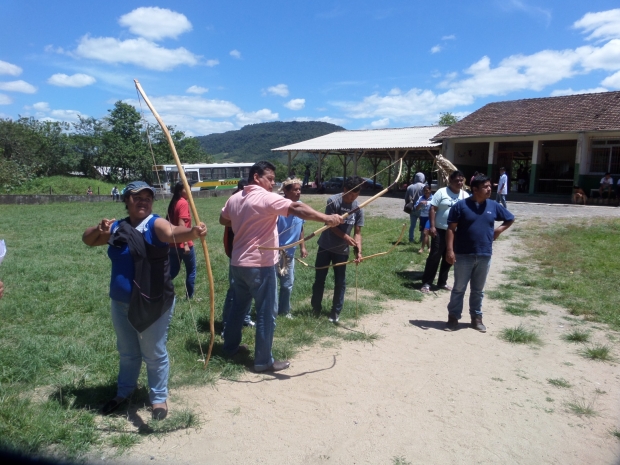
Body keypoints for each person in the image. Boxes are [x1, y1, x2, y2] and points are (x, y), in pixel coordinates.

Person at [82, 181, 207, 420]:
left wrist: (192, 232)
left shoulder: (155, 223)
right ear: (126, 201)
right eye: (137, 197)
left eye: (147, 197)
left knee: (153, 352)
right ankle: (124, 392)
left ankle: (158, 398)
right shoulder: (117, 227)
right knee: (128, 352)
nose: (143, 201)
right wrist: (99, 229)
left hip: (153, 302)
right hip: (120, 302)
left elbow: (171, 232)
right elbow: (88, 240)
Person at [220, 161, 342, 372]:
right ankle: (263, 361)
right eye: (269, 179)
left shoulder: (234, 198)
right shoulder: (264, 197)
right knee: (267, 313)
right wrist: (326, 218)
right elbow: (296, 207)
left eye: (274, 180)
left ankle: (229, 348)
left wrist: (246, 221)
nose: (272, 184)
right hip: (259, 264)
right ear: (256, 177)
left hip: (238, 263)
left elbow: (223, 220)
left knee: (238, 308)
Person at [444, 175, 514, 332]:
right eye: (485, 187)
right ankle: (453, 318)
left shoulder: (493, 205)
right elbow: (451, 229)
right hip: (463, 254)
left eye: (490, 186)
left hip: (484, 254)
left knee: (478, 290)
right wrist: (450, 250)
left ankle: (476, 318)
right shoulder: (461, 206)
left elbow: (510, 218)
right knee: (459, 288)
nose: (489, 189)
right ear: (474, 189)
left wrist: (498, 231)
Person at [311, 176, 365, 323]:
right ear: (344, 190)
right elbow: (330, 225)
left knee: (340, 281)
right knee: (319, 279)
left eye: (355, 195)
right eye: (350, 194)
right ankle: (315, 308)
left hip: (342, 251)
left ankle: (335, 312)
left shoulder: (358, 207)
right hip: (326, 245)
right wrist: (345, 237)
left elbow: (358, 232)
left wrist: (358, 250)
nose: (352, 198)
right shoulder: (333, 201)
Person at [420, 170, 469, 294]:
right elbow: (432, 209)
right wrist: (432, 226)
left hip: (456, 232)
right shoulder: (441, 192)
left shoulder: (465, 196)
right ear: (450, 181)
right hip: (440, 230)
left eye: (461, 180)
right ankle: (427, 282)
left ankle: (442, 282)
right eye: (457, 180)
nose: (459, 182)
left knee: (449, 256)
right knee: (435, 255)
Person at [221, 180, 254, 334]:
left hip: (247, 253)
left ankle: (245, 318)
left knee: (247, 290)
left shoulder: (248, 201)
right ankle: (227, 324)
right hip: (237, 253)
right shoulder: (235, 201)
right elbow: (225, 221)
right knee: (235, 290)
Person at [276, 178, 309, 318]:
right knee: (271, 284)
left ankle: (284, 310)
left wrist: (302, 246)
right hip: (275, 251)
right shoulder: (278, 206)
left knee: (287, 284)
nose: (298, 192)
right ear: (286, 191)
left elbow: (300, 226)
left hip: (290, 252)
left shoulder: (300, 206)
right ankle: (270, 311)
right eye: (295, 189)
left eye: (299, 189)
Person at [167, 182, 197, 299]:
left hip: (172, 244)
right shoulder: (183, 203)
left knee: (173, 270)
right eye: (187, 189)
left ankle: (159, 287)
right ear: (180, 191)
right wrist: (185, 243)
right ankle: (190, 296)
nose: (190, 191)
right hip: (183, 244)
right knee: (191, 270)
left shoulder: (174, 202)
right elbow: (181, 223)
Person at [405, 173, 426, 243]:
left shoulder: (410, 187)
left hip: (412, 208)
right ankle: (422, 239)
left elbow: (406, 198)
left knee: (412, 225)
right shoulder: (425, 187)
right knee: (422, 225)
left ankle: (411, 239)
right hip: (422, 209)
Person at [415, 185, 433, 254]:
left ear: (430, 190)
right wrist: (420, 203)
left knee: (425, 232)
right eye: (425, 191)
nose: (426, 192)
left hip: (430, 217)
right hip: (422, 217)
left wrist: (428, 202)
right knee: (425, 233)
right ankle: (429, 247)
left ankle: (422, 248)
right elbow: (416, 208)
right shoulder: (421, 198)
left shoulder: (433, 198)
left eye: (427, 190)